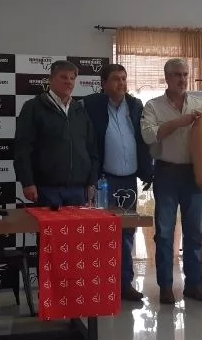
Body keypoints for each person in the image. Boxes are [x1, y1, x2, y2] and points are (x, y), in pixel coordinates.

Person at [141, 58, 202, 304]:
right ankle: (165, 287)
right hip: (166, 173)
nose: (182, 79)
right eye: (177, 75)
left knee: (194, 233)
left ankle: (193, 285)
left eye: (185, 74)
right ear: (167, 77)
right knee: (164, 233)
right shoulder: (153, 106)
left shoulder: (199, 105)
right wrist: (177, 123)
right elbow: (148, 135)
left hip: (194, 173)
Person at [84, 64, 154, 302]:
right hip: (104, 181)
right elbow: (88, 142)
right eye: (115, 79)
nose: (121, 83)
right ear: (104, 83)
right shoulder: (91, 105)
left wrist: (147, 171)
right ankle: (101, 284)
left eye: (124, 78)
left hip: (129, 180)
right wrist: (90, 178)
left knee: (127, 233)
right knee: (101, 234)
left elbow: (143, 141)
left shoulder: (135, 106)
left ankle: (125, 284)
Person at [14, 60, 99, 207]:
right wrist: (27, 182)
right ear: (51, 80)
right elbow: (23, 148)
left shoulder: (80, 110)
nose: (69, 82)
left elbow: (92, 149)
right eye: (63, 77)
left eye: (72, 78)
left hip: (78, 190)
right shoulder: (33, 107)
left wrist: (92, 181)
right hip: (46, 189)